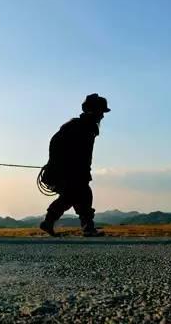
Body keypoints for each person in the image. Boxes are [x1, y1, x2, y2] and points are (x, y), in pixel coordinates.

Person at [39, 94, 110, 237]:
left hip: (66, 172)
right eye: (101, 111)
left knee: (77, 196)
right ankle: (87, 228)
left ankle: (50, 223)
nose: (102, 116)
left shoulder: (77, 126)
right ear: (93, 111)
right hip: (68, 173)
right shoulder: (84, 128)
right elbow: (82, 156)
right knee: (76, 196)